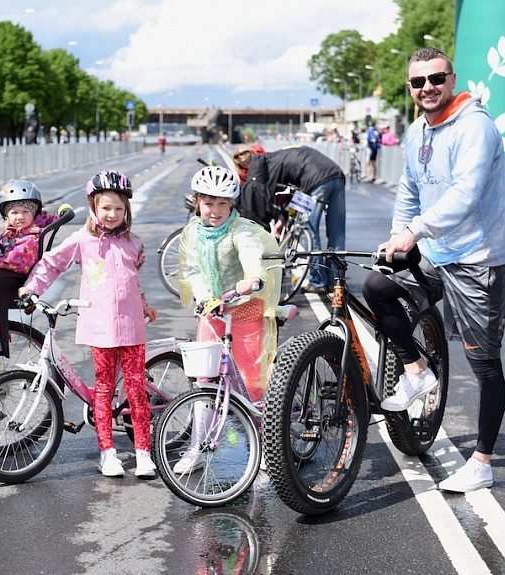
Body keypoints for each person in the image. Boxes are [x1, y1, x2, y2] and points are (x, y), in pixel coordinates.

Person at [362, 47, 505, 493]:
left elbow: (466, 194)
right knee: (377, 286)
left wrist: (416, 230)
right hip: (437, 250)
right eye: (417, 82)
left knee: (483, 364)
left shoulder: (475, 127)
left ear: (452, 78)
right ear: (409, 88)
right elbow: (409, 189)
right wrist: (398, 236)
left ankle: (482, 462)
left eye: (435, 78)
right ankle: (416, 371)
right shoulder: (416, 132)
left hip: (480, 258)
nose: (427, 88)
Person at [19, 169, 158, 479]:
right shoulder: (82, 240)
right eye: (106, 207)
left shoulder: (134, 243)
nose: (112, 214)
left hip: (133, 326)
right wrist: (32, 288)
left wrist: (145, 304)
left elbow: (134, 280)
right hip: (101, 326)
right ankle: (107, 452)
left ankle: (143, 452)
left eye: (119, 209)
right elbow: (52, 263)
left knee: (136, 389)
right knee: (104, 389)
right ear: (94, 207)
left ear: (127, 211)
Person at [175, 165, 281, 473]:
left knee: (252, 384)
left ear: (232, 203)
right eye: (209, 203)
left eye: (223, 203)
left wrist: (253, 280)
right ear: (197, 202)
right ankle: (197, 447)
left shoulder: (242, 231)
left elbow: (252, 256)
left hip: (246, 310)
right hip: (213, 312)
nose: (216, 210)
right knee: (204, 381)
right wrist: (205, 297)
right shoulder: (192, 232)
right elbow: (192, 270)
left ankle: (263, 449)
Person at [0, 180, 63, 356]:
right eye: (14, 212)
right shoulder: (10, 234)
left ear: (34, 213)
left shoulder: (30, 239)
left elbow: (13, 260)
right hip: (0, 279)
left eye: (26, 211)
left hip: (14, 284)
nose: (20, 216)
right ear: (7, 216)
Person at [236, 146, 346, 293]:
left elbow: (275, 198)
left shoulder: (265, 167)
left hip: (314, 180)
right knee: (337, 232)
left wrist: (280, 220)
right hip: (336, 174)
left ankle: (317, 282)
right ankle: (336, 281)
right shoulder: (277, 157)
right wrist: (284, 219)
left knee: (309, 230)